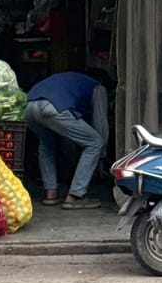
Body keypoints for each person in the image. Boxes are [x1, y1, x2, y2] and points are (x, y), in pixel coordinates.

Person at [24, 71, 109, 209]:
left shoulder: (71, 79)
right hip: (53, 108)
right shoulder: (98, 86)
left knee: (46, 145)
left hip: (29, 108)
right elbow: (100, 121)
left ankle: (50, 193)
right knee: (95, 142)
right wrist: (101, 155)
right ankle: (75, 196)